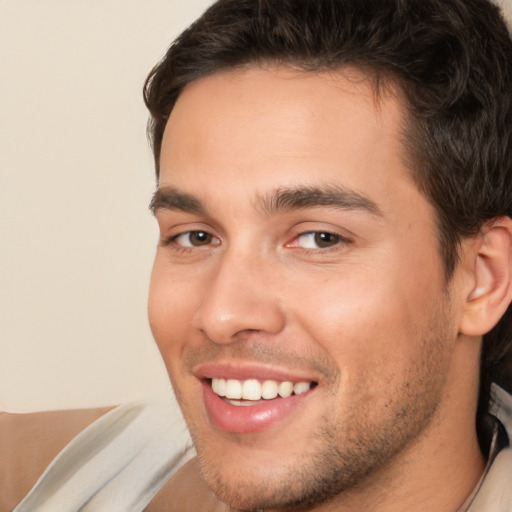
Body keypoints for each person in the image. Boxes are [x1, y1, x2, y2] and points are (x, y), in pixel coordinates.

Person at [10, 0, 512, 510]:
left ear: (482, 278)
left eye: (320, 239)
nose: (221, 314)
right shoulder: (127, 460)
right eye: (196, 237)